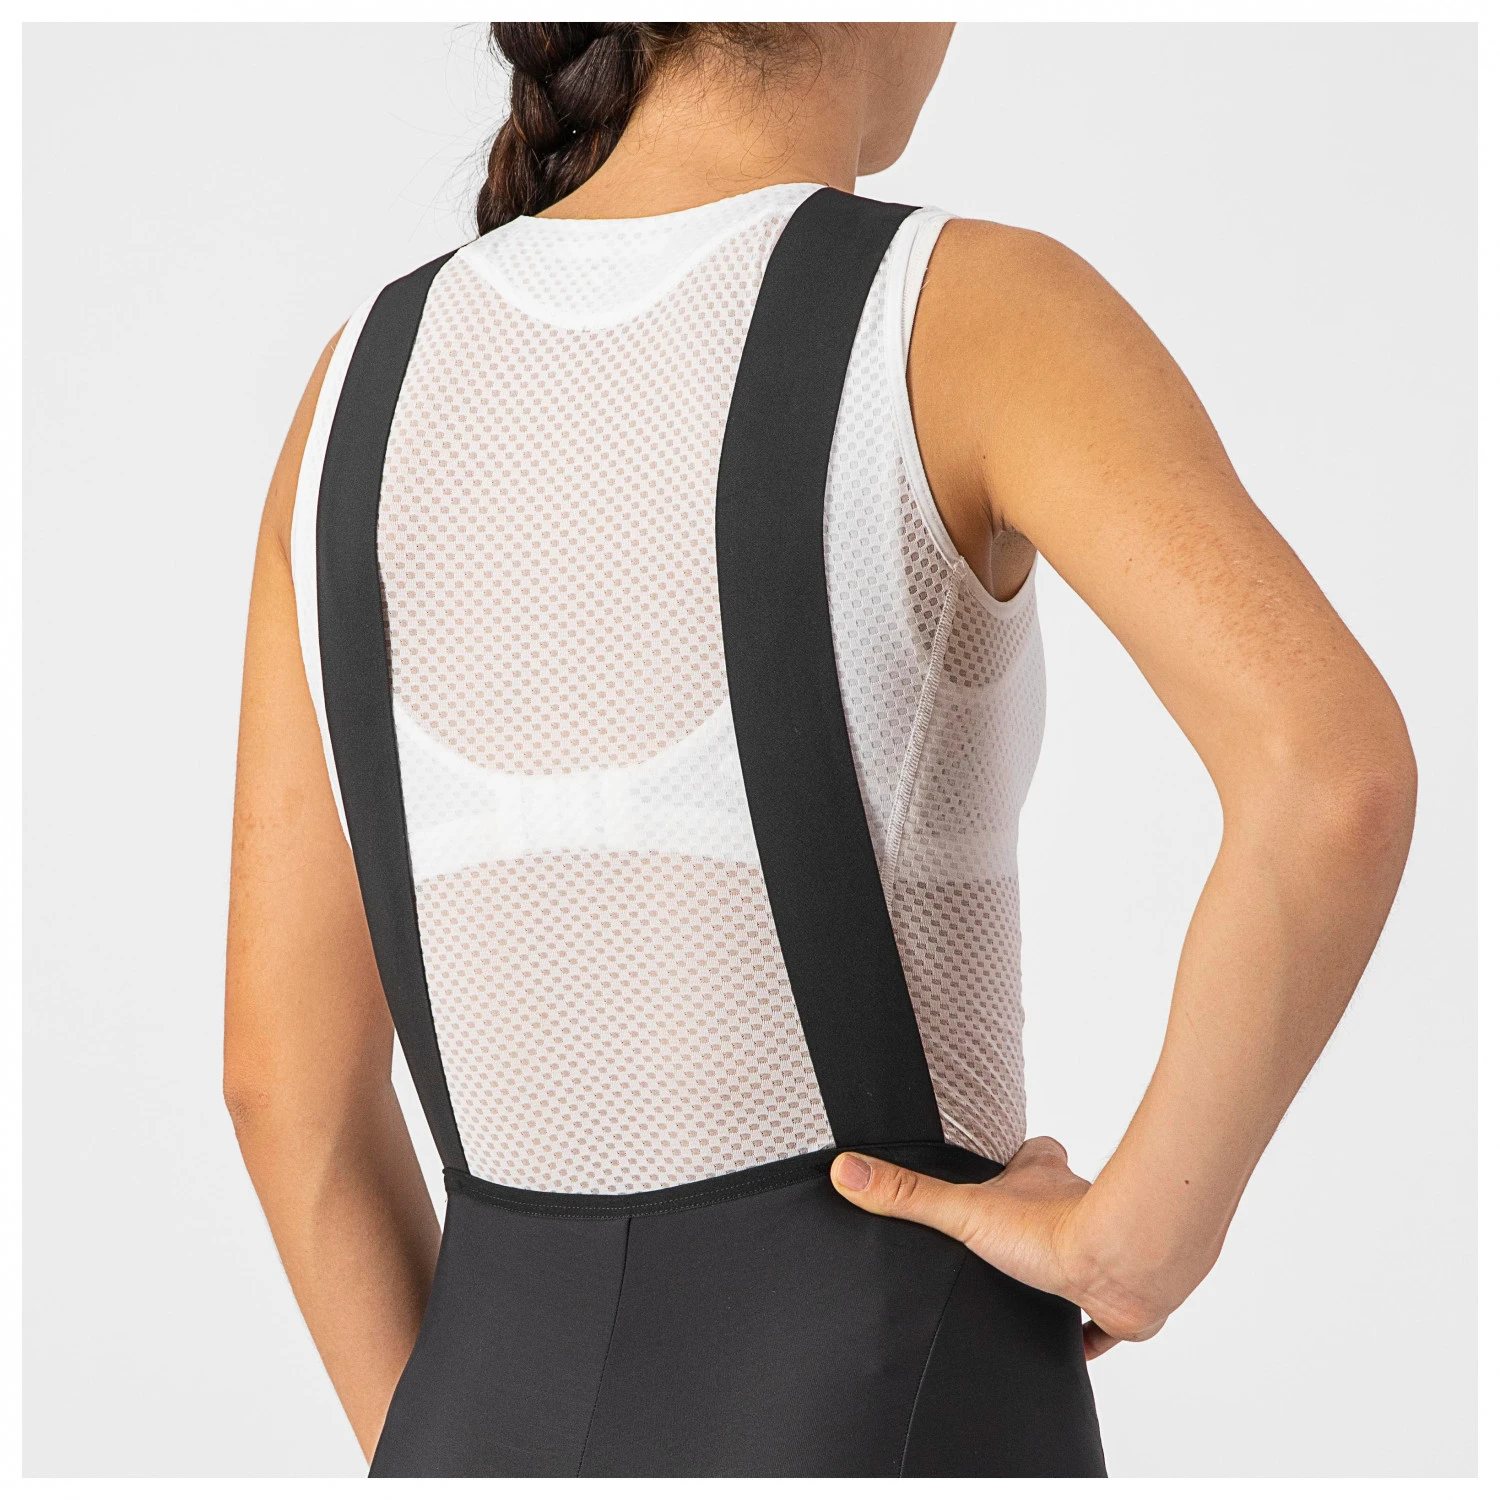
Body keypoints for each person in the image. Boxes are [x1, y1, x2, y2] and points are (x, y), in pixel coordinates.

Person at [224, 21, 1416, 1478]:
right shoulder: (965, 310)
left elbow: (284, 1091)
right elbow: (1330, 781)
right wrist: (1145, 1239)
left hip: (483, 1411)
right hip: (893, 1389)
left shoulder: (358, 388)